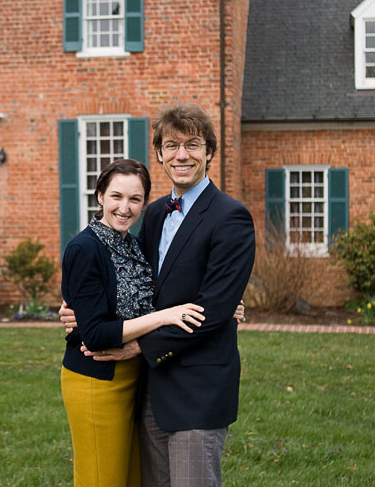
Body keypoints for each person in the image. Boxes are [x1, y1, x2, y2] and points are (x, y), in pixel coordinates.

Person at [61, 102, 255, 487]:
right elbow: (134, 282)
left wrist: (139, 348)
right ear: (160, 155)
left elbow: (211, 310)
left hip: (195, 391)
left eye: (193, 145)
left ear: (209, 152)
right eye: (171, 146)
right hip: (150, 390)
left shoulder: (230, 217)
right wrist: (77, 307)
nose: (181, 155)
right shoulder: (153, 215)